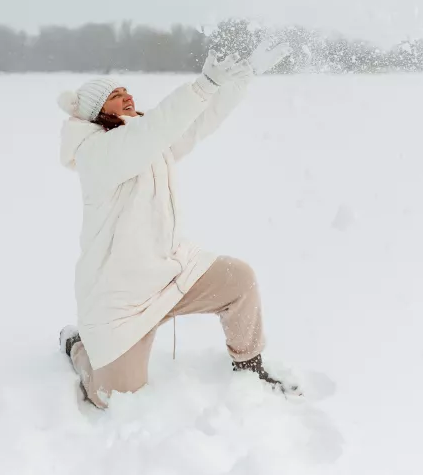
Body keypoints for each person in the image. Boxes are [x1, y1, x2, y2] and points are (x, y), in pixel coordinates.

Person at [56, 40, 295, 408]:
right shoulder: (97, 155)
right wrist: (202, 85)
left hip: (171, 271)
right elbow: (152, 132)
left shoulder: (149, 140)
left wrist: (241, 79)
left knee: (239, 280)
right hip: (122, 297)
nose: (126, 97)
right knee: (112, 397)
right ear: (95, 112)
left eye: (126, 90)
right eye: (115, 96)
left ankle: (249, 365)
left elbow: (197, 123)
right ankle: (79, 350)